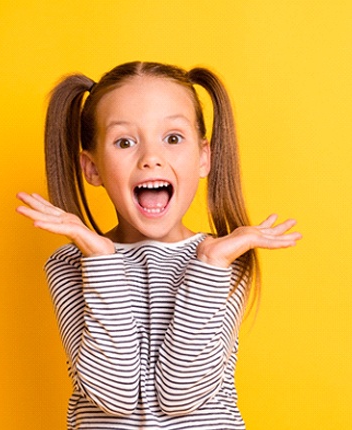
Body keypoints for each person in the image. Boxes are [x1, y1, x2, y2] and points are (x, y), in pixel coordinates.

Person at [16, 61, 301, 429]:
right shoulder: (72, 263)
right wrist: (101, 259)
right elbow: (112, 395)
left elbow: (182, 393)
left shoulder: (226, 260)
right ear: (93, 168)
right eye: (124, 142)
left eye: (172, 138)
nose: (151, 158)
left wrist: (211, 265)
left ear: (203, 157)